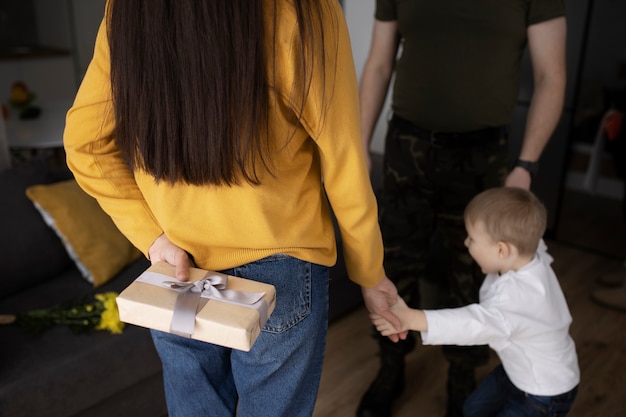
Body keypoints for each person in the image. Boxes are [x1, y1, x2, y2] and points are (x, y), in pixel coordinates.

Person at [63, 1, 404, 416]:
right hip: (281, 271)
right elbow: (344, 160)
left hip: (178, 272)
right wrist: (370, 273)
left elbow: (85, 146)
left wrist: (153, 239)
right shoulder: (304, 8)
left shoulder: (130, 9)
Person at [356, 1, 567, 416]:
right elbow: (380, 63)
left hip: (482, 155)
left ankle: (461, 380)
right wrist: (359, 144)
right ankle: (389, 369)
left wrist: (526, 165)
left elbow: (551, 75)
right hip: (407, 145)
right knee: (391, 263)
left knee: (472, 274)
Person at [370, 187, 580, 417]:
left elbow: (472, 324)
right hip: (519, 371)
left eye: (472, 238)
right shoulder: (529, 252)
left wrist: (412, 318)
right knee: (473, 408)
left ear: (502, 250)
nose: (467, 243)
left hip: (543, 393)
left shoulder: (517, 300)